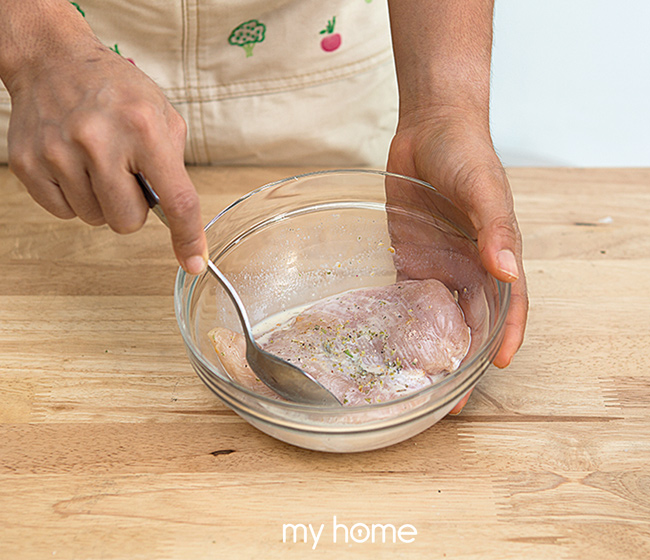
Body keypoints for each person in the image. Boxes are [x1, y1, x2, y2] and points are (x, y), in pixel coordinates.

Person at [0, 0, 527, 413]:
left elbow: (442, 106)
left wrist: (442, 107)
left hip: (317, 67)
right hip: (60, 87)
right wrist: (38, 43)